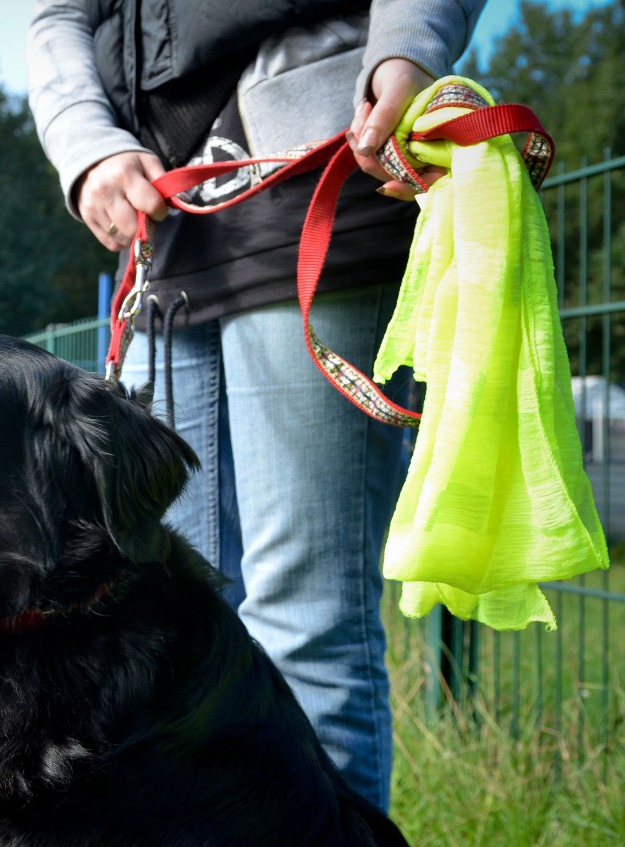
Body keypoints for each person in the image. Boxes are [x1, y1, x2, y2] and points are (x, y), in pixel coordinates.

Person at [28, 0, 485, 811]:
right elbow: (58, 14)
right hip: (162, 223)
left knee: (304, 613)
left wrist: (407, 50)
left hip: (320, 176)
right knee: (169, 613)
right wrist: (87, 147)